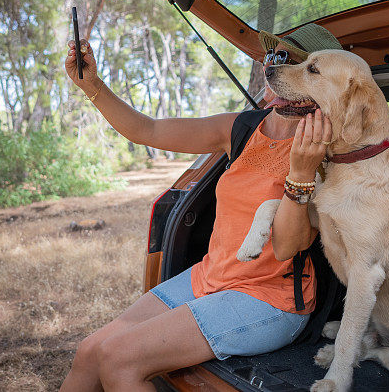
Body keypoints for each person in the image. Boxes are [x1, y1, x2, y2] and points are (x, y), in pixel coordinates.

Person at [60, 23, 343, 392]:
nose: (278, 72)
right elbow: (149, 130)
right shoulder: (241, 128)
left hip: (269, 300)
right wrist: (92, 86)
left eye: (299, 66)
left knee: (119, 359)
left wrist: (303, 170)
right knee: (90, 351)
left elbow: (290, 245)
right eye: (275, 60)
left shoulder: (330, 151)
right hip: (209, 277)